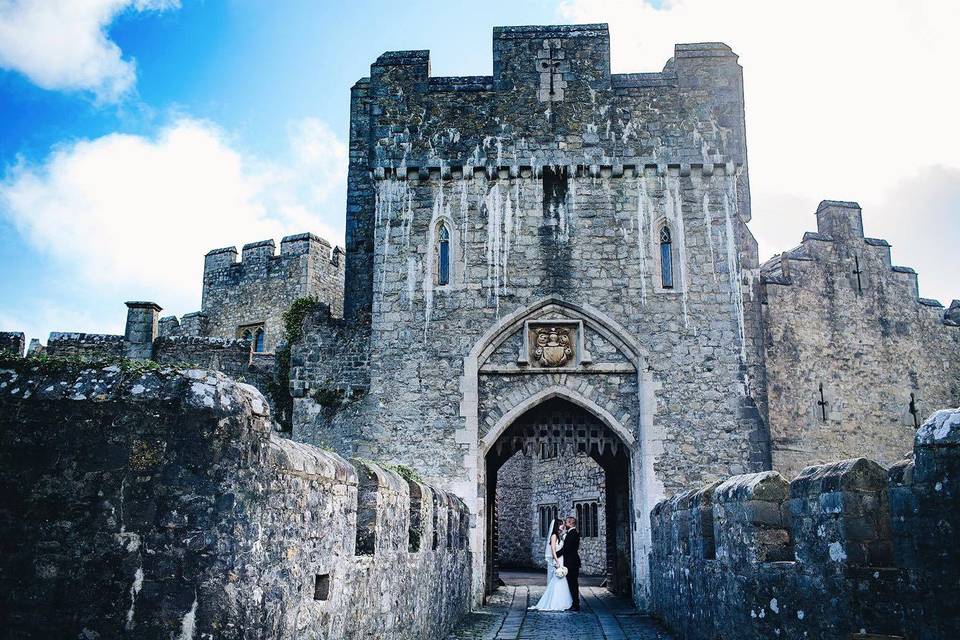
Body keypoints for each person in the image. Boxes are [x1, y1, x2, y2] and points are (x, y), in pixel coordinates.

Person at [528, 518, 573, 611]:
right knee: (557, 580)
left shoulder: (559, 535)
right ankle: (555, 602)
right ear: (557, 525)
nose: (563, 525)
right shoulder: (554, 536)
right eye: (561, 524)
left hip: (561, 559)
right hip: (558, 560)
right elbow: (553, 550)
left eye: (563, 524)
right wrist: (556, 561)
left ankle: (564, 601)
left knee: (562, 580)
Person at [556, 515, 581, 611]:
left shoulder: (573, 533)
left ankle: (576, 604)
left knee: (573, 584)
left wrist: (555, 555)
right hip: (571, 562)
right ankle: (574, 603)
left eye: (566, 522)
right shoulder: (571, 533)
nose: (565, 524)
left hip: (572, 563)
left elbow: (567, 549)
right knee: (571, 584)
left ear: (571, 523)